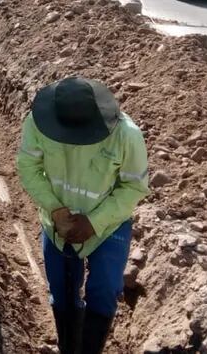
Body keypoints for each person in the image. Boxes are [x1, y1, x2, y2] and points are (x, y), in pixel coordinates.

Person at [16, 77, 149, 354]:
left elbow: (134, 185)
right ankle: (68, 346)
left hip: (109, 223)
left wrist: (95, 221)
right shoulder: (37, 123)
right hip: (57, 224)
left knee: (104, 290)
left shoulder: (126, 134)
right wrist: (55, 208)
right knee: (62, 293)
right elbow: (28, 165)